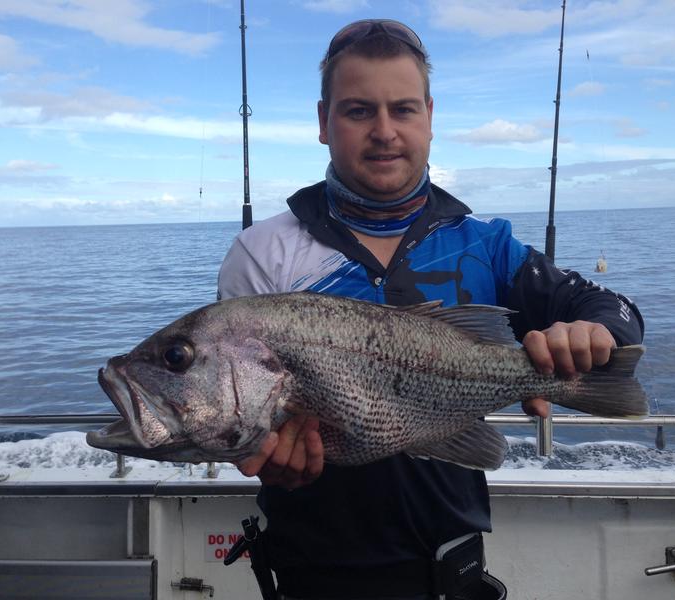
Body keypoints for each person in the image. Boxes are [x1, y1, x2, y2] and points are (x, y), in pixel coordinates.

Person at [217, 19, 643, 600]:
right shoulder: (262, 252)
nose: (384, 131)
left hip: (455, 566)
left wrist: (595, 331)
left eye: (403, 109)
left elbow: (614, 307)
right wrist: (262, 454)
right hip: (310, 571)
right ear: (323, 122)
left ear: (430, 117)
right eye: (358, 111)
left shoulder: (487, 245)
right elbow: (241, 408)